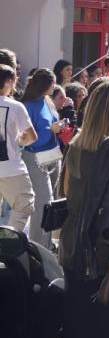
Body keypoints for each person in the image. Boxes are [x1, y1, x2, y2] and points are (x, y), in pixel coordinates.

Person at [59, 77, 109, 338]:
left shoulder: (76, 144)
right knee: (106, 326)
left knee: (76, 320)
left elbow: (64, 191)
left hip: (73, 241)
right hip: (105, 248)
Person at [20, 67, 64, 246]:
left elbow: (51, 123)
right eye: (53, 83)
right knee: (43, 203)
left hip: (53, 155)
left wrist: (59, 126)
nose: (55, 87)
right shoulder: (27, 106)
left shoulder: (47, 101)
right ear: (46, 84)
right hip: (35, 157)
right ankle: (38, 245)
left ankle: (45, 241)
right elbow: (26, 139)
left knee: (51, 201)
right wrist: (50, 130)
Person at [0, 64, 37, 235]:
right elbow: (31, 137)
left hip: (8, 166)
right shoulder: (15, 106)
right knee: (24, 206)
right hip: (11, 167)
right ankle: (8, 246)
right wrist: (21, 141)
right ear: (8, 82)